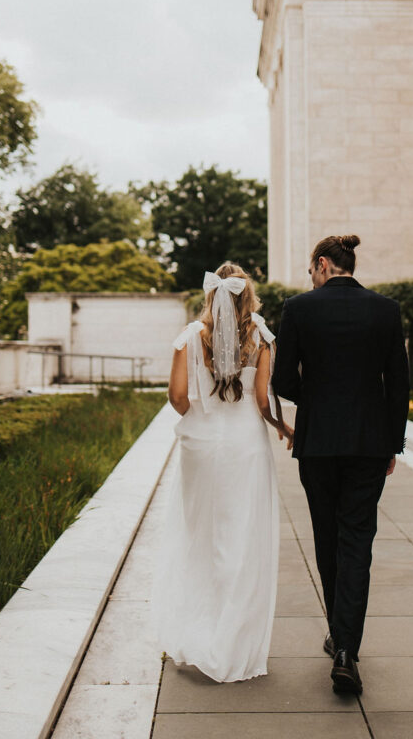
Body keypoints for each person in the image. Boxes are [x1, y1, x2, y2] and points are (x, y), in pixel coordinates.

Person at [272, 235, 410, 696]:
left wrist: (317, 403)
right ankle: (347, 646)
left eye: (311, 270)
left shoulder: (299, 308)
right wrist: (392, 442)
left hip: (317, 445)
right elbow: (399, 383)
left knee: (327, 539)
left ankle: (340, 636)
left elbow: (283, 379)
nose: (310, 278)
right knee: (357, 542)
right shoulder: (386, 310)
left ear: (324, 264)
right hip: (369, 444)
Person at [150, 262, 293, 683]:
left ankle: (198, 631)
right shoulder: (262, 336)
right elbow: (264, 401)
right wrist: (283, 427)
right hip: (246, 446)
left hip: (203, 446)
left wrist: (204, 413)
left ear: (212, 294)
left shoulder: (191, 337)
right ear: (248, 295)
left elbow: (177, 397)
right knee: (243, 539)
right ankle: (234, 642)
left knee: (201, 536)